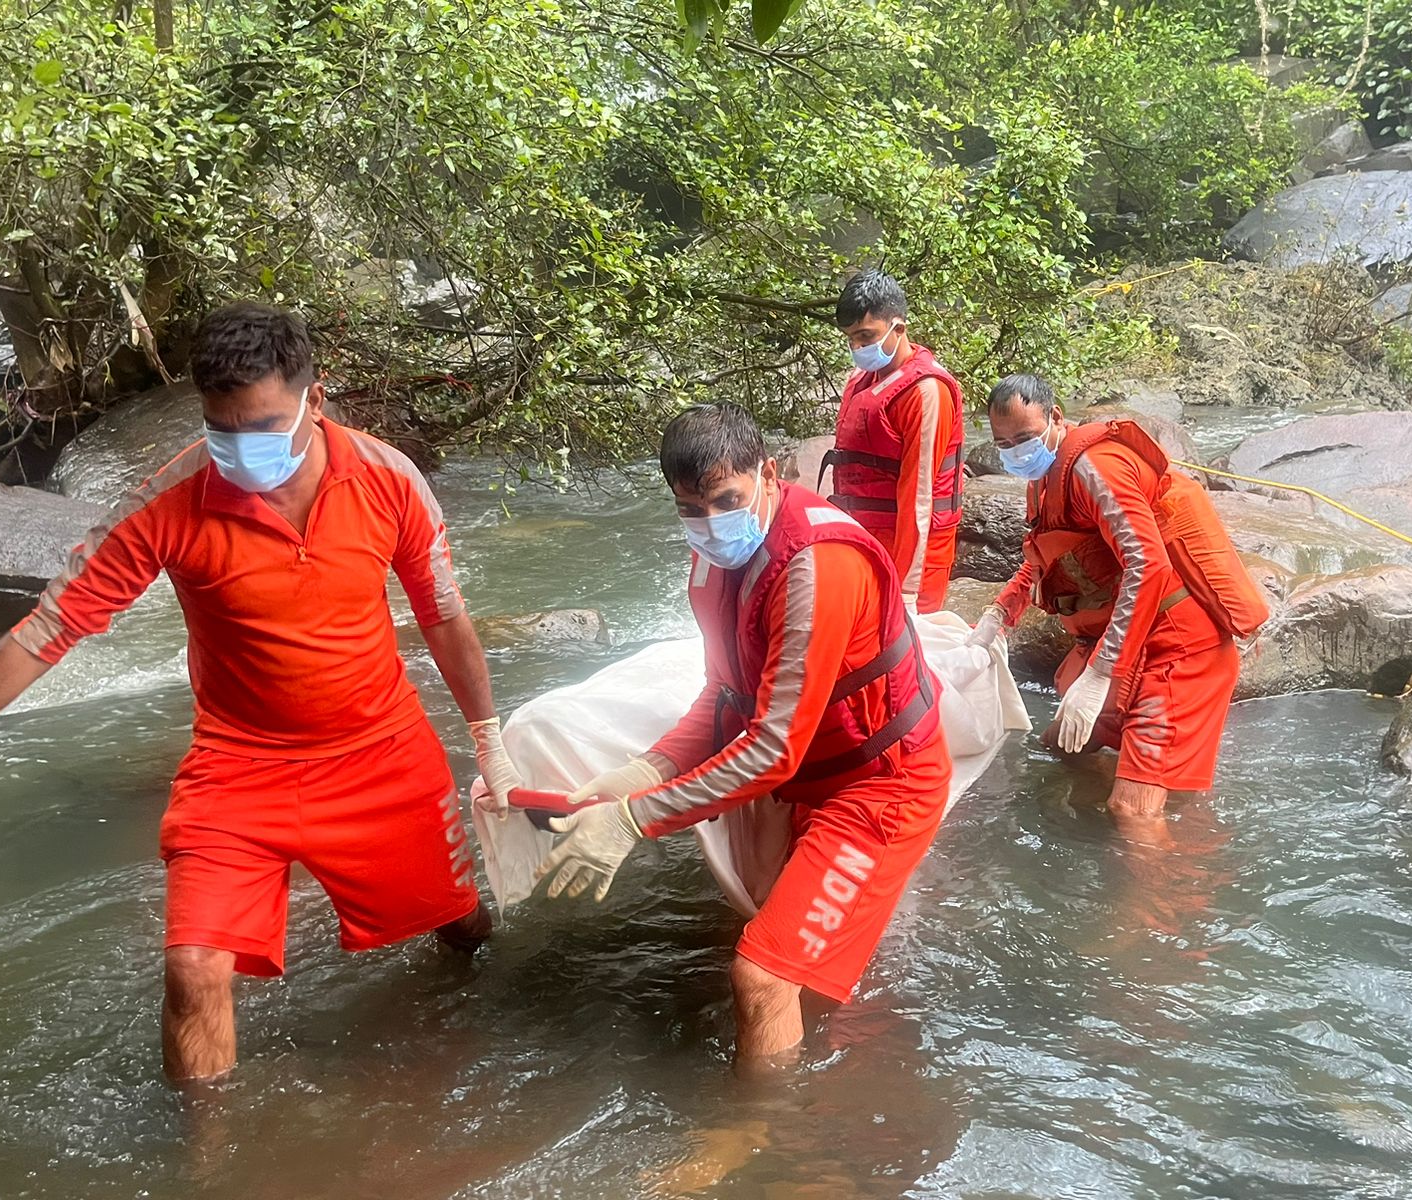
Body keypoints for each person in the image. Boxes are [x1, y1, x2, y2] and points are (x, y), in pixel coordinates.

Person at [0, 302, 522, 1083]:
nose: (242, 448)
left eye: (264, 425)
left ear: (315, 402)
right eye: (223, 428)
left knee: (460, 927)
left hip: (380, 752)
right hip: (237, 766)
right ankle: (208, 1164)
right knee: (193, 968)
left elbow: (446, 619)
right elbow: (48, 632)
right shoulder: (169, 501)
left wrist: (491, 743)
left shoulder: (389, 480)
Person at [533, 403, 952, 1067]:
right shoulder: (715, 559)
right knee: (771, 945)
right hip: (810, 772)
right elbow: (724, 692)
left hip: (881, 785)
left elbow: (770, 751)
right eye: (690, 510)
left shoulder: (816, 568)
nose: (708, 524)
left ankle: (758, 1140)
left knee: (761, 979)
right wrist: (649, 767)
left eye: (726, 500)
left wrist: (634, 820)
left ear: (771, 472)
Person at [966, 374, 1265, 827]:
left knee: (1132, 813)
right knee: (1058, 750)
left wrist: (1100, 673)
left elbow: (1149, 565)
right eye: (1002, 443)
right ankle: (1152, 786)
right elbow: (1047, 555)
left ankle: (1173, 875)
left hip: (1177, 652)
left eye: (1023, 438)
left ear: (1056, 418)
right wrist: (998, 615)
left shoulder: (1095, 468)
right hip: (1130, 642)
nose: (1014, 451)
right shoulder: (1046, 478)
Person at [819, 270, 965, 613]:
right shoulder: (863, 379)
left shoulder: (926, 391)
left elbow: (920, 498)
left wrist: (907, 592)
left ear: (898, 328)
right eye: (851, 339)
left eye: (865, 336)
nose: (857, 347)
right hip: (865, 539)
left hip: (916, 557)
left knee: (909, 655)